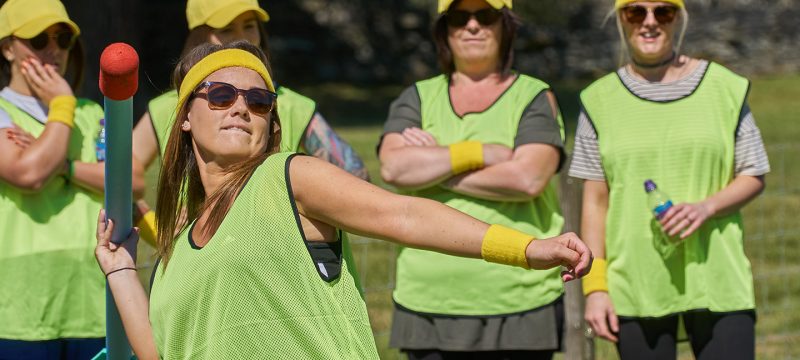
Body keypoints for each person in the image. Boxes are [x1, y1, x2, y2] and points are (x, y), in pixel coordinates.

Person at [94, 41, 591, 359]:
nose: (241, 108)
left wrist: (528, 249)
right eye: (221, 95)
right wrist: (119, 270)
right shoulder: (180, 237)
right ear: (184, 116)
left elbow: (404, 215)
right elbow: (160, 351)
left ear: (272, 120)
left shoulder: (289, 178)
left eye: (259, 100)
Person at [571, 1, 770, 359]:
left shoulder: (725, 87)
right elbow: (594, 203)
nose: (649, 22)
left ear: (677, 18)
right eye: (636, 12)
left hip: (718, 278)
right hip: (635, 282)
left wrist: (707, 207)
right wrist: (595, 288)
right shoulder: (597, 100)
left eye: (662, 11)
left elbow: (753, 173)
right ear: (621, 19)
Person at [378, 0, 569, 358]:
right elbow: (393, 169)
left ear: (505, 26)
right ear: (444, 30)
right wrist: (479, 152)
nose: (472, 26)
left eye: (486, 15)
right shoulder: (417, 97)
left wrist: (435, 171)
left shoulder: (533, 96)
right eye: (458, 17)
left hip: (519, 298)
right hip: (427, 300)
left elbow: (527, 178)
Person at [0, 0, 144, 358]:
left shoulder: (92, 111)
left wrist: (64, 167)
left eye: (62, 38)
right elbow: (29, 173)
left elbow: (134, 178)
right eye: (38, 39)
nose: (54, 50)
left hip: (92, 301)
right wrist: (62, 105)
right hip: (22, 309)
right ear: (6, 48)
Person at [132, 0, 368, 181]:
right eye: (226, 29)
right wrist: (157, 227)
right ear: (199, 37)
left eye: (249, 26)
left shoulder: (291, 105)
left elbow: (357, 176)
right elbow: (118, 180)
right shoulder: (167, 108)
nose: (242, 38)